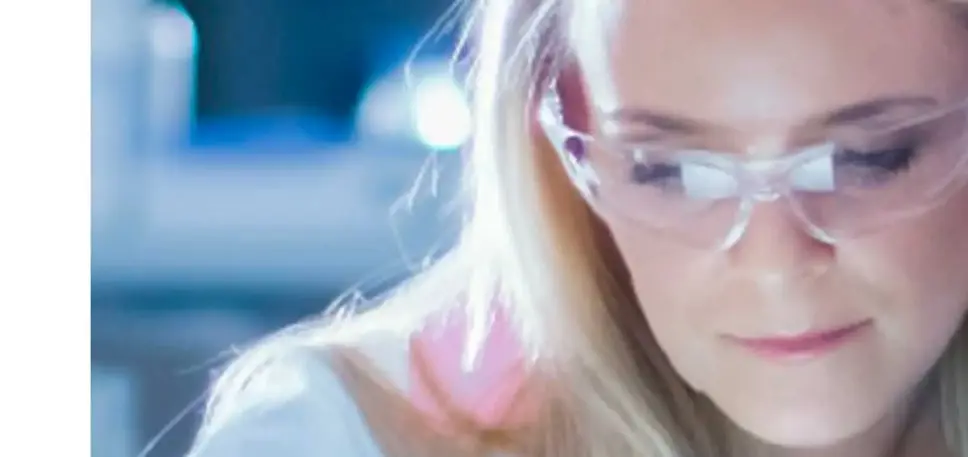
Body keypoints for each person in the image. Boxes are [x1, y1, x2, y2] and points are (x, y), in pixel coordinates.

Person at [186, 0, 968, 456]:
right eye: (674, 171)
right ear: (561, 141)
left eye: (866, 159)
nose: (773, 262)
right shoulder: (337, 438)